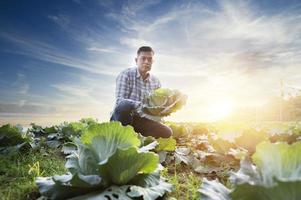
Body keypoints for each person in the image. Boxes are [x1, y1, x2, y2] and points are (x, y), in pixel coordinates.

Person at [110, 46, 172, 138]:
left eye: (149, 59)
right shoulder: (126, 75)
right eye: (143, 58)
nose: (146, 62)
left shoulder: (156, 82)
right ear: (136, 60)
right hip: (123, 118)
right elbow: (120, 102)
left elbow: (156, 108)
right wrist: (142, 106)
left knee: (167, 132)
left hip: (141, 120)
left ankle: (138, 138)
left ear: (152, 62)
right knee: (124, 105)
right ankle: (122, 137)